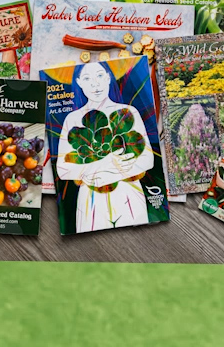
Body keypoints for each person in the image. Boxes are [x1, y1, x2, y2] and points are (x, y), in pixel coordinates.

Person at [51, 60, 155, 231]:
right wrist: (105, 164)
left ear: (108, 77)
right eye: (87, 78)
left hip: (129, 195)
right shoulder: (73, 119)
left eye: (100, 76)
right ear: (78, 83)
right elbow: (62, 169)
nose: (95, 84)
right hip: (91, 201)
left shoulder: (128, 112)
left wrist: (101, 175)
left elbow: (147, 160)